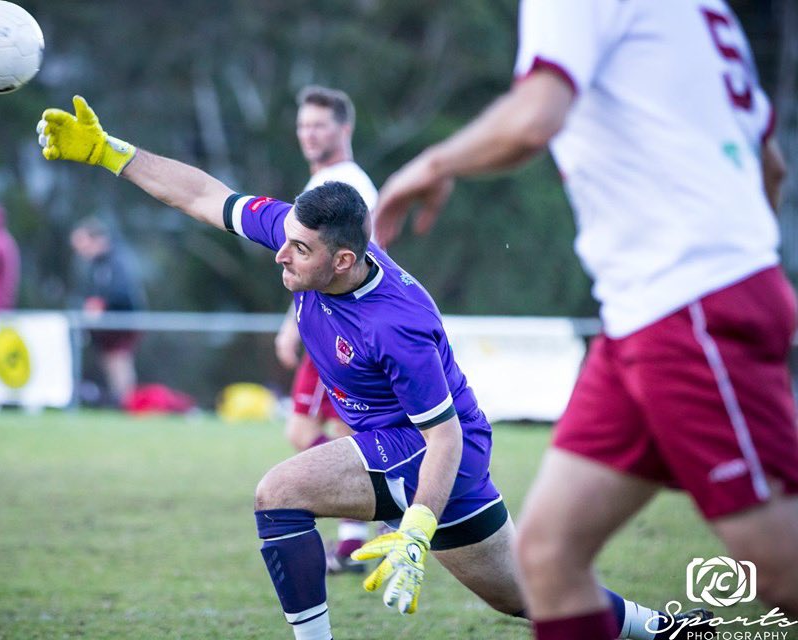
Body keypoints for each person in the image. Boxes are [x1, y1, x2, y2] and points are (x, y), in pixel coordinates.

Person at [36, 95, 709, 640]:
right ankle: (670, 630)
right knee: (529, 596)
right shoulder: (305, 235)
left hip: (432, 452)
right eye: (286, 241)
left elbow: (444, 436)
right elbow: (202, 196)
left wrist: (416, 527)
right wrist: (110, 152)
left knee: (278, 492)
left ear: (343, 262)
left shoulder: (397, 322)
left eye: (299, 251)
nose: (282, 255)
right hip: (406, 450)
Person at [371, 1, 798, 637]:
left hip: (687, 307)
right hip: (647, 315)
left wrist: (433, 163)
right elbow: (770, 168)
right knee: (547, 557)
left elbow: (534, 118)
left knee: (780, 569)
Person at [276, 85, 380, 573]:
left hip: (336, 325)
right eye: (303, 125)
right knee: (343, 432)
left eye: (319, 125)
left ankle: (387, 502)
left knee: (301, 431)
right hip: (340, 323)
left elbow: (323, 266)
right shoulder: (332, 180)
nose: (309, 134)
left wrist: (292, 326)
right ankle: (353, 543)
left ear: (345, 129)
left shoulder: (344, 183)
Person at [70, 216, 146, 405]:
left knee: (119, 363)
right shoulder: (95, 265)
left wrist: (101, 305)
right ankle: (122, 401)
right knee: (111, 365)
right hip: (107, 329)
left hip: (122, 325)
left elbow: (122, 293)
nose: (81, 250)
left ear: (97, 239)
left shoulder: (117, 261)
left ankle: (128, 403)